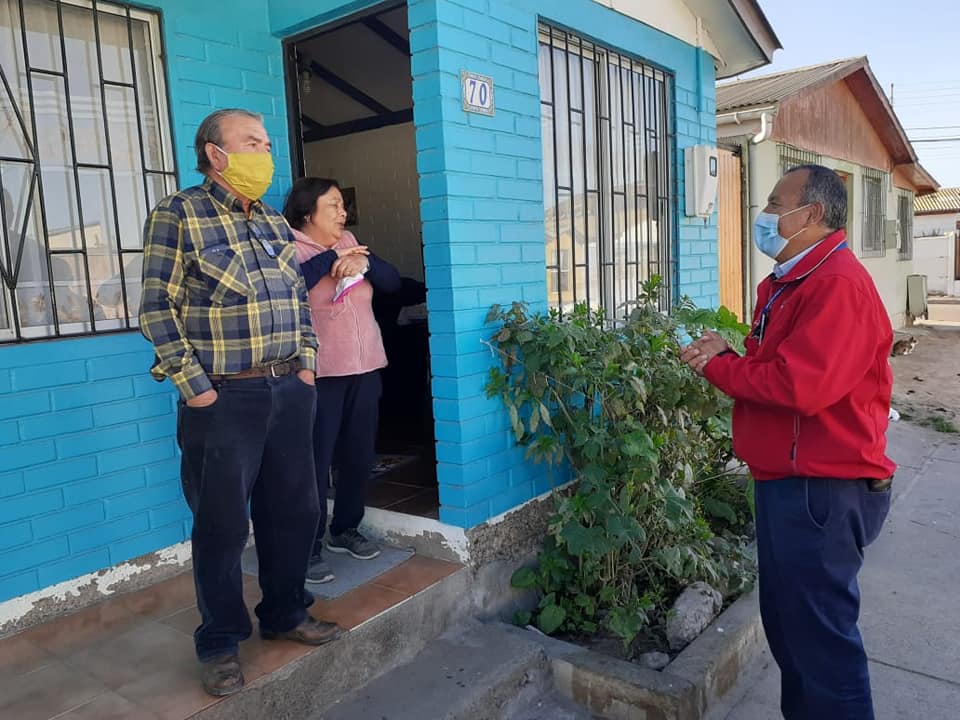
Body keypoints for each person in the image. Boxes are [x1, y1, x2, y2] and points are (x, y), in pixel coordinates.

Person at [139, 109, 342, 697]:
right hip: (224, 397)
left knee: (296, 511)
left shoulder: (275, 222)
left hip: (288, 389)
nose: (265, 154)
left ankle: (286, 612)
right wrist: (195, 386)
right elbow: (157, 308)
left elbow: (298, 301)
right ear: (216, 153)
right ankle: (221, 639)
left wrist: (306, 362)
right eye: (252, 142)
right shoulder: (179, 214)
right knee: (223, 525)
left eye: (268, 144)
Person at [680, 164, 894, 719]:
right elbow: (779, 365)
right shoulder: (793, 281)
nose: (765, 215)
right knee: (795, 637)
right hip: (789, 482)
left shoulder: (836, 286)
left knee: (822, 649)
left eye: (777, 204)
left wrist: (721, 365)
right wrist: (733, 353)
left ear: (813, 214)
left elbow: (801, 385)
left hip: (821, 490)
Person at [282, 178, 400, 584]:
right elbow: (291, 287)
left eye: (342, 205)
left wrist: (364, 263)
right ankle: (307, 547)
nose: (342, 212)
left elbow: (392, 282)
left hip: (365, 369)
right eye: (332, 205)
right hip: (320, 376)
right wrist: (335, 258)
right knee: (314, 464)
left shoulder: (352, 241)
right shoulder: (287, 249)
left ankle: (345, 529)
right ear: (306, 213)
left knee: (358, 456)